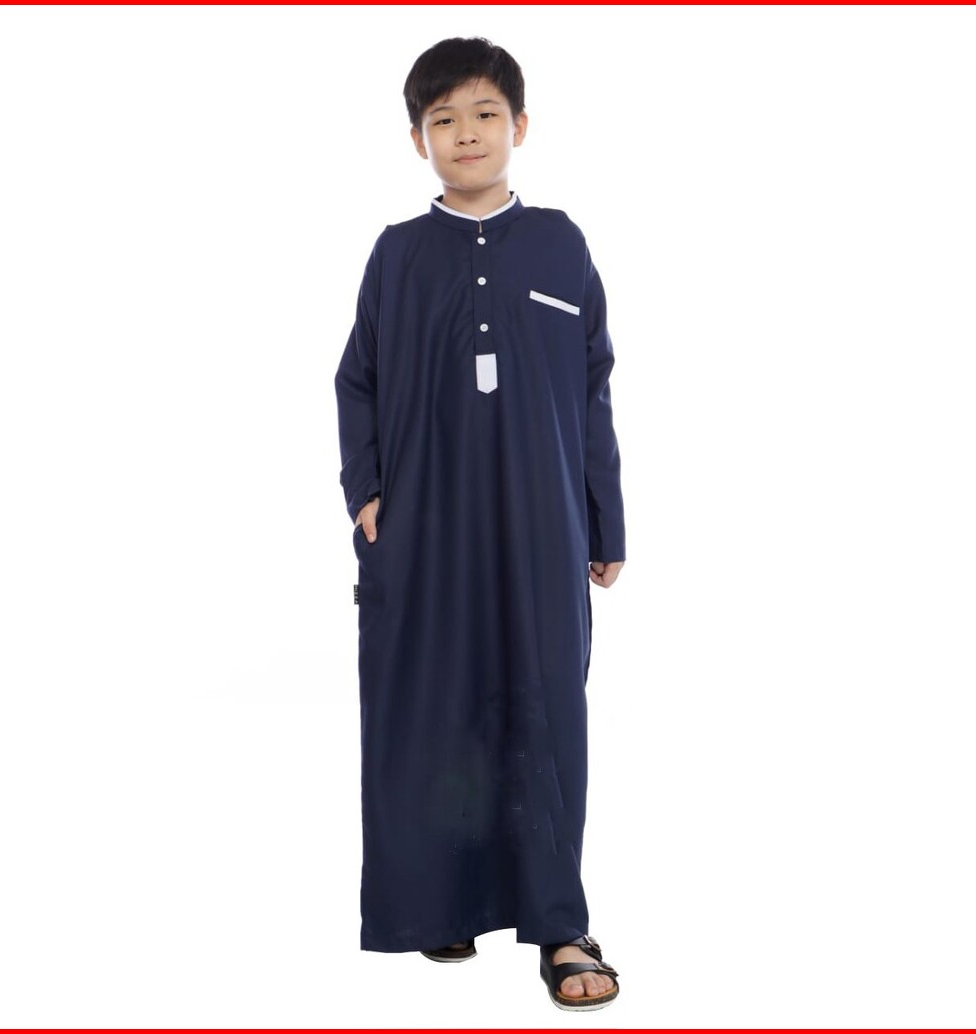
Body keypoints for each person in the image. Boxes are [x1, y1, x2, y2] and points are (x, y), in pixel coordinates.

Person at [334, 36, 626, 1011]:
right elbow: (358, 380)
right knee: (433, 705)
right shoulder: (397, 253)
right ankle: (442, 899)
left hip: (542, 519)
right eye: (443, 119)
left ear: (520, 127)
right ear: (417, 139)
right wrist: (367, 493)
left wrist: (603, 518)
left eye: (485, 114)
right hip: (423, 521)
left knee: (545, 704)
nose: (465, 133)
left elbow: (592, 384)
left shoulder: (559, 243)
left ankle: (559, 923)